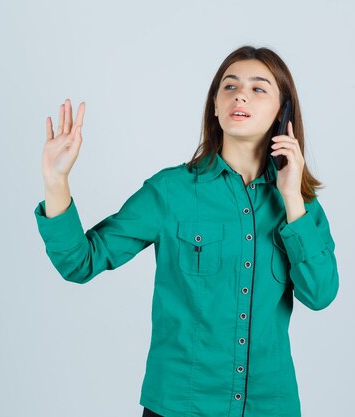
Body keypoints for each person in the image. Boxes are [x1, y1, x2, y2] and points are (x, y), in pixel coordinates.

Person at [34, 45, 339, 417]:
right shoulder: (170, 192)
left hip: (269, 406)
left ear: (283, 112)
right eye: (229, 86)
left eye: (259, 88)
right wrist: (56, 180)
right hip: (180, 406)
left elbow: (320, 294)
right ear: (214, 105)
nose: (240, 94)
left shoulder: (300, 207)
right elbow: (79, 262)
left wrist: (291, 198)